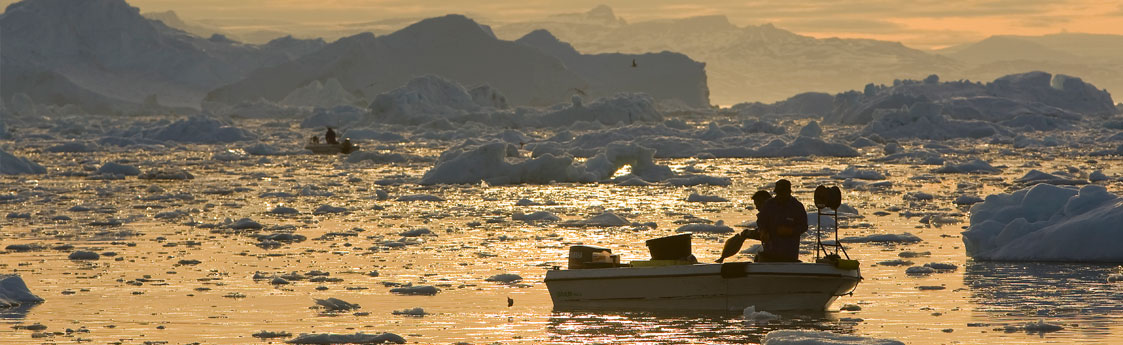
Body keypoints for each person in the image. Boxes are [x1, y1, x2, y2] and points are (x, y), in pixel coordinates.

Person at [755, 179, 807, 262]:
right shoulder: (769, 205)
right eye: (778, 193)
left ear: (789, 192)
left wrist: (790, 231)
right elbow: (761, 221)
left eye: (783, 193)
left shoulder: (797, 207)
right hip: (770, 252)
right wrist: (763, 231)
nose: (780, 196)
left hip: (789, 253)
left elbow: (804, 226)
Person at [716, 190, 771, 263]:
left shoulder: (770, 216)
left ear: (765, 202)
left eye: (758, 204)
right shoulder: (772, 214)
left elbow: (769, 233)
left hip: (776, 252)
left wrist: (748, 234)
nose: (757, 208)